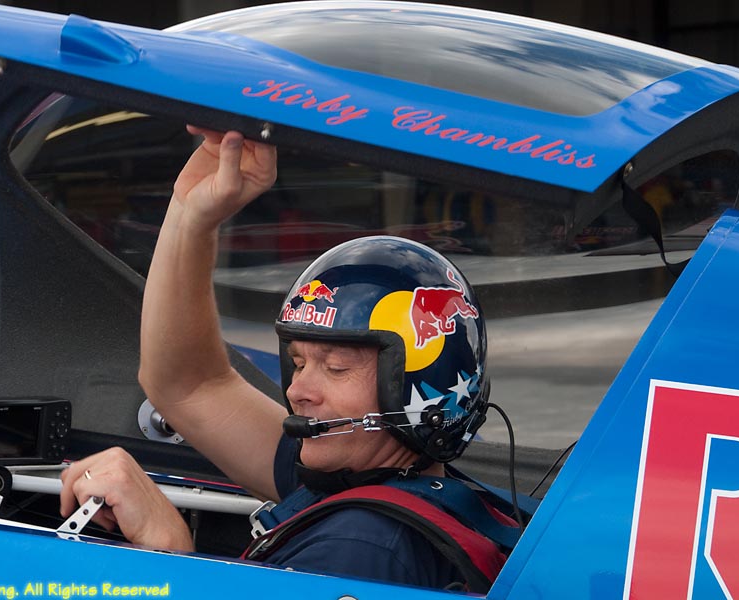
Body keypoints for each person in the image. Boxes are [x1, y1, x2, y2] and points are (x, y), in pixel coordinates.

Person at [60, 127, 507, 590]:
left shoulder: (360, 550)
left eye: (335, 368)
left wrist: (168, 550)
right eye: (299, 362)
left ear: (422, 390)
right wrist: (191, 216)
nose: (297, 390)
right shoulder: (364, 480)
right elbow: (189, 385)